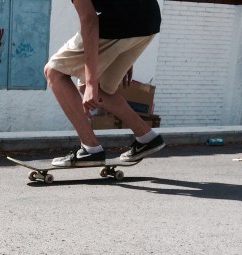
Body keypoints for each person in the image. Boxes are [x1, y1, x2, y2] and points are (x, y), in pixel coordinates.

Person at [45, 0, 165, 167]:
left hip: (124, 22)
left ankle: (90, 149)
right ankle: (147, 137)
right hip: (148, 20)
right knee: (101, 87)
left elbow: (89, 20)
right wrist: (123, 53)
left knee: (54, 72)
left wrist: (91, 83)